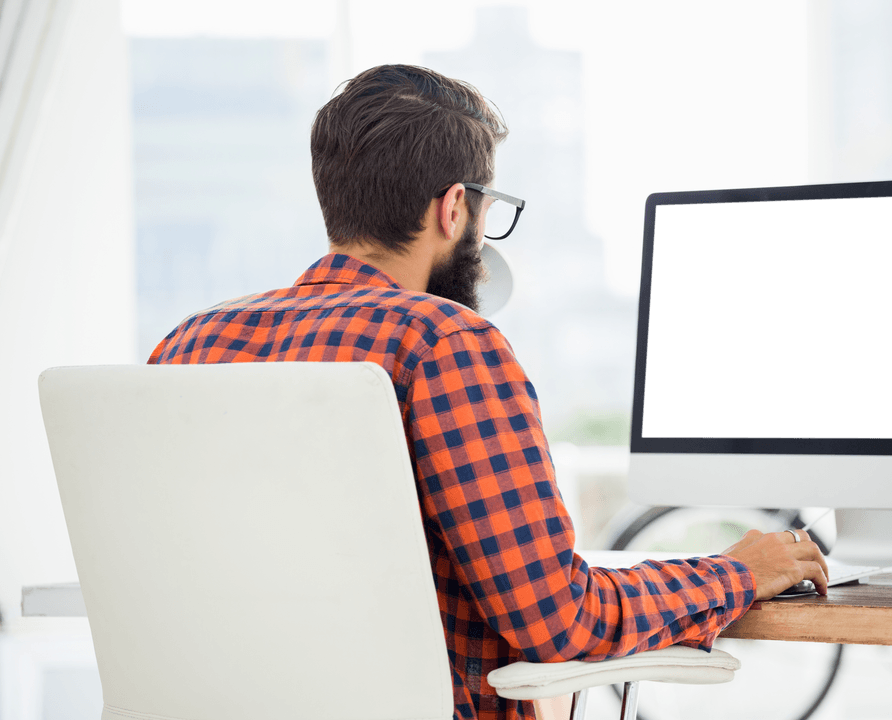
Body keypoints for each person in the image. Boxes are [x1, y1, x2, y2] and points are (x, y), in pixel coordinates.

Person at [149, 64, 829, 720]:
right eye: (485, 210)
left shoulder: (186, 347)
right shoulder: (444, 343)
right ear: (453, 209)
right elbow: (559, 621)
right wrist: (734, 572)